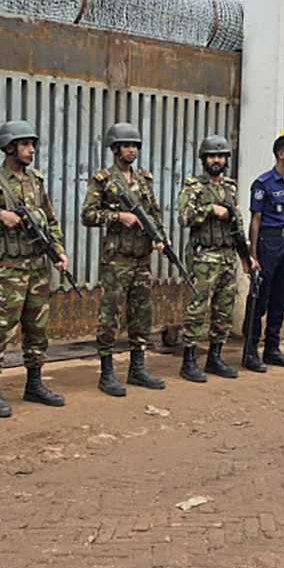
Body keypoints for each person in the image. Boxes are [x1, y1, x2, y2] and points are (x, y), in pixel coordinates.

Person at [0, 120, 70, 418]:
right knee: (0, 328)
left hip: (37, 267)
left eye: (32, 144)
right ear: (10, 147)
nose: (31, 149)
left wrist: (58, 250)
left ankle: (34, 384)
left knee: (37, 328)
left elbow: (51, 219)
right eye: (25, 144)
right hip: (7, 270)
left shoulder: (36, 180)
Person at [82, 122, 170, 396]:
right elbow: (87, 215)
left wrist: (161, 237)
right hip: (116, 260)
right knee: (109, 317)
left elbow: (154, 213)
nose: (132, 150)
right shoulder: (103, 179)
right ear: (115, 148)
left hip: (142, 259)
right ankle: (107, 373)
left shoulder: (144, 179)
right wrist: (118, 216)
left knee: (142, 315)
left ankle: (137, 368)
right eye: (127, 146)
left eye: (135, 146)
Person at [177, 135, 256, 382]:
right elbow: (184, 218)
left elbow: (238, 222)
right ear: (204, 159)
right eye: (212, 156)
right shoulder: (194, 187)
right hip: (204, 256)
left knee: (224, 309)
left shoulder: (230, 187)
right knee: (197, 309)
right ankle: (189, 360)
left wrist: (246, 256)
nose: (217, 160)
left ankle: (215, 357)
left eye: (221, 156)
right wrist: (210, 210)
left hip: (227, 256)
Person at [243, 135, 284, 372]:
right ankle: (250, 351)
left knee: (281, 298)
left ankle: (272, 349)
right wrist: (253, 255)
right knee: (260, 299)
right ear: (281, 154)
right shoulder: (263, 183)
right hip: (267, 242)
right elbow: (255, 220)